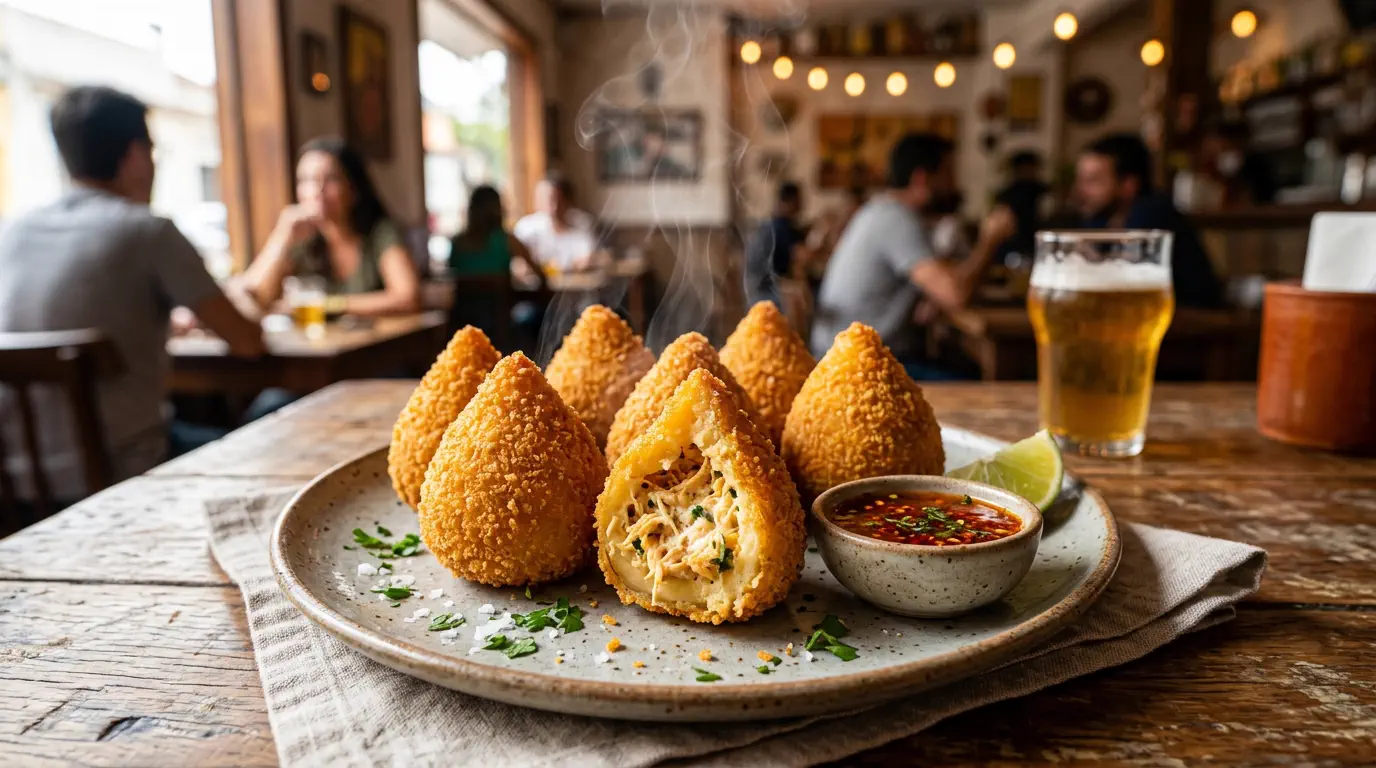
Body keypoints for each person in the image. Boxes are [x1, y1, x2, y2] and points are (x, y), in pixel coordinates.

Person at [0, 86, 264, 503]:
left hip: (18, 489)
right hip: (125, 478)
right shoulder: (148, 231)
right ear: (135, 156)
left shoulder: (11, 233)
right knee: (266, 430)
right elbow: (247, 341)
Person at [811, 133, 1015, 375]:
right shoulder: (896, 219)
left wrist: (927, 295)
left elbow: (939, 287)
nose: (955, 186)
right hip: (853, 368)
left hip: (848, 355)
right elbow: (956, 294)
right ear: (922, 179)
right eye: (948, 175)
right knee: (975, 377)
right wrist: (990, 240)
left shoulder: (879, 210)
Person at [240, 137, 420, 316]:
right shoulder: (300, 239)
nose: (316, 190)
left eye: (330, 179)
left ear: (354, 189)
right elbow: (257, 297)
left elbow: (407, 298)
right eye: (306, 180)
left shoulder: (381, 233)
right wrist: (282, 234)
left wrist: (327, 305)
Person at [1075, 134, 1224, 308]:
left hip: (1194, 319)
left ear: (1128, 185)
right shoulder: (1101, 219)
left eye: (1093, 181)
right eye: (1081, 180)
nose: (1080, 190)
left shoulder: (1152, 215)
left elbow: (1125, 286)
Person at [448, 185, 549, 343]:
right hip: (500, 324)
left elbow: (452, 276)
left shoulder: (457, 242)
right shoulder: (507, 240)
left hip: (461, 324)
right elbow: (540, 275)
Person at [513, 172, 602, 272]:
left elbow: (593, 257)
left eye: (556, 200)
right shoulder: (526, 228)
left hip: (576, 280)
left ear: (569, 201)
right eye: (543, 199)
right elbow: (517, 265)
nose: (553, 207)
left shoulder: (583, 223)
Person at [744, 181, 808, 307]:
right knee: (799, 297)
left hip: (762, 288)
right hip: (764, 291)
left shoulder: (774, 224)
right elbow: (802, 256)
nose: (802, 206)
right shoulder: (778, 226)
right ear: (791, 201)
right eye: (799, 201)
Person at [995, 150, 1050, 260]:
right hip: (1012, 246)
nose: (1027, 173)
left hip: (1038, 244)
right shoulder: (1007, 195)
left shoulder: (1043, 193)